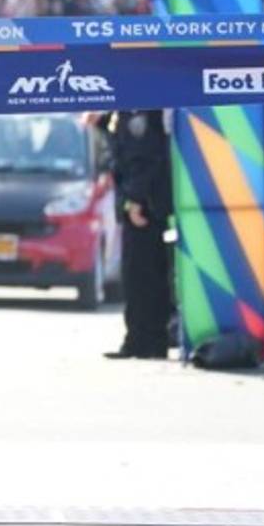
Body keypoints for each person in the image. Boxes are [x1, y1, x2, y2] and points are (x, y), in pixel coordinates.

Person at [99, 109, 172, 360]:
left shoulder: (142, 111)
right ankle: (139, 340)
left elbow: (146, 157)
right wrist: (101, 120)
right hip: (137, 202)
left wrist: (135, 200)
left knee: (143, 275)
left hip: (144, 205)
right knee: (136, 275)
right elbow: (118, 149)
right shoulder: (123, 112)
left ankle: (147, 341)